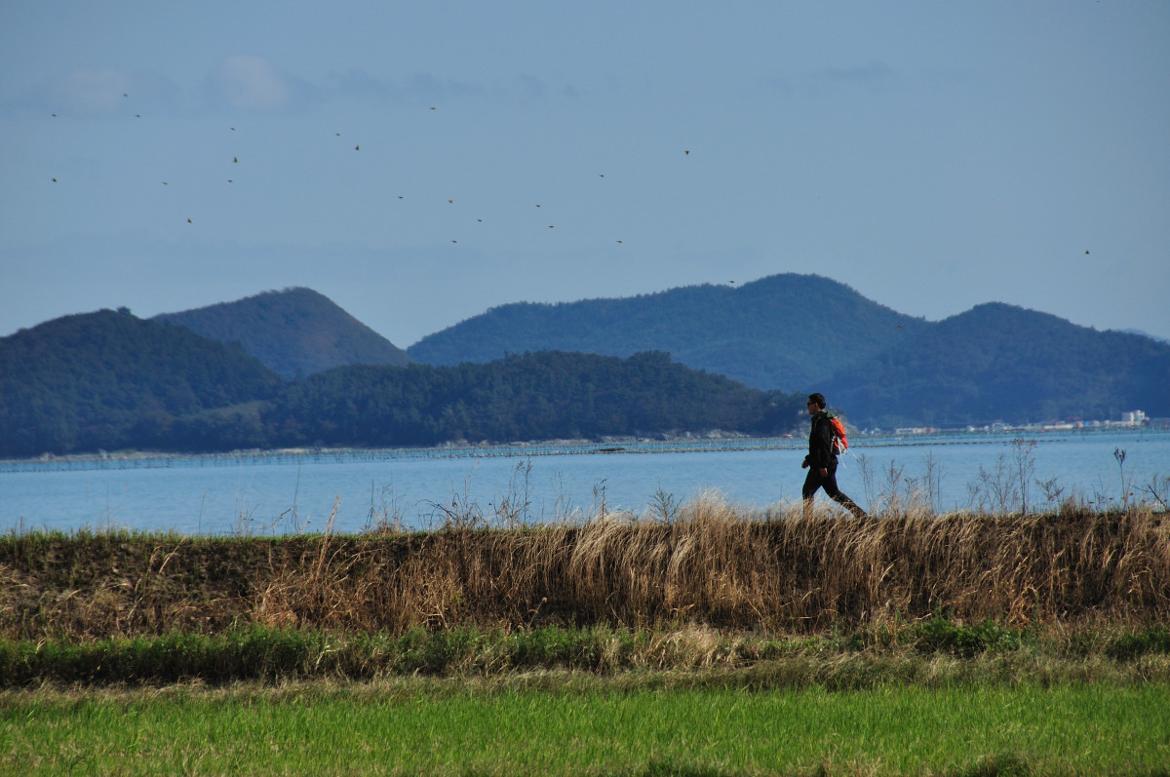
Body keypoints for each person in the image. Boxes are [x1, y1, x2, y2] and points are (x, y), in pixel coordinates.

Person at [801, 392, 868, 519]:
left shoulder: (822, 421)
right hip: (827, 462)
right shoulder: (819, 419)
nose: (807, 406)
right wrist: (808, 459)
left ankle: (807, 522)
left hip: (823, 463)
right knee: (834, 493)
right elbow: (816, 446)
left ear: (815, 405)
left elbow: (823, 444)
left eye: (808, 404)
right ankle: (861, 515)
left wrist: (822, 465)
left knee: (807, 491)